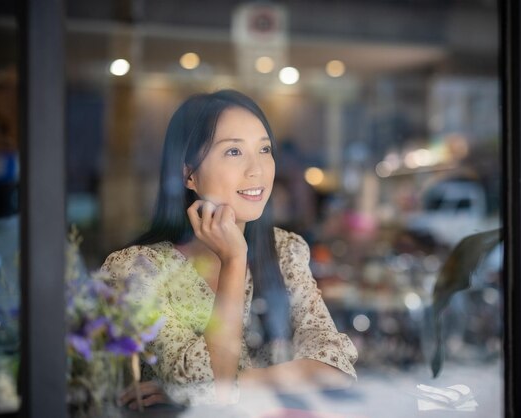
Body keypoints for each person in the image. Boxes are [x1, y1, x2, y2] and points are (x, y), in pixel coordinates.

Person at [101, 90, 357, 408]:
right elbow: (210, 384)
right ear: (188, 173)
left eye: (264, 149)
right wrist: (234, 259)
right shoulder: (136, 269)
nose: (257, 170)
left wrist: (221, 386)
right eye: (234, 152)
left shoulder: (285, 251)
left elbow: (337, 368)